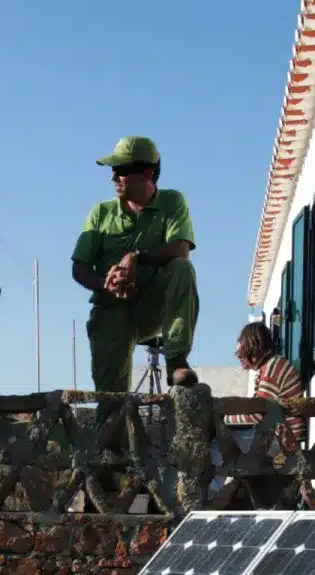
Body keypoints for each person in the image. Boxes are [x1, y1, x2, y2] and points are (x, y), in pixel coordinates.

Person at [70, 136, 200, 392]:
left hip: (152, 306)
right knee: (111, 401)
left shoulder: (173, 202)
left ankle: (175, 359)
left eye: (121, 170)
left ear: (147, 173)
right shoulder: (100, 213)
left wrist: (136, 257)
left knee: (182, 269)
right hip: (111, 311)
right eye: (113, 171)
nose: (114, 177)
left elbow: (181, 249)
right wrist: (107, 284)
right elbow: (79, 268)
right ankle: (113, 426)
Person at [227, 321, 306, 454]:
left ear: (253, 348)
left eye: (241, 353)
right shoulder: (272, 365)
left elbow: (258, 415)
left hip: (284, 443)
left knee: (219, 443)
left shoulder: (272, 368)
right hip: (281, 438)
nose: (239, 358)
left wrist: (225, 419)